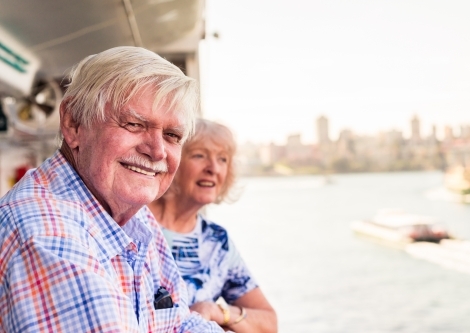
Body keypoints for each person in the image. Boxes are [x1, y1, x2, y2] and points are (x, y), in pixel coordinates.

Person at [0, 46, 224, 333]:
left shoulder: (133, 217)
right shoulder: (46, 235)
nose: (157, 152)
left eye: (172, 135)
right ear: (74, 123)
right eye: (133, 124)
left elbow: (179, 322)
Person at [148, 119, 277, 333]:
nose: (213, 168)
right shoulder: (133, 218)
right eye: (199, 155)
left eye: (222, 159)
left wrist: (216, 311)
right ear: (172, 160)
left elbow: (268, 324)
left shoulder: (216, 241)